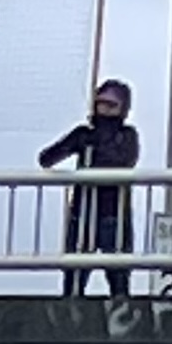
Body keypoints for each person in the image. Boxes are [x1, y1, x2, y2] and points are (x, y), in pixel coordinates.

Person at [39, 79, 139, 297]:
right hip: (83, 212)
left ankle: (121, 311)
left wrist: (93, 145)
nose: (105, 108)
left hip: (114, 213)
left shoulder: (127, 135)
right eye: (101, 103)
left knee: (118, 277)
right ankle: (70, 312)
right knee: (75, 275)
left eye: (111, 104)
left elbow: (124, 160)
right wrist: (80, 141)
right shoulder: (83, 134)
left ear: (123, 108)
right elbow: (46, 158)